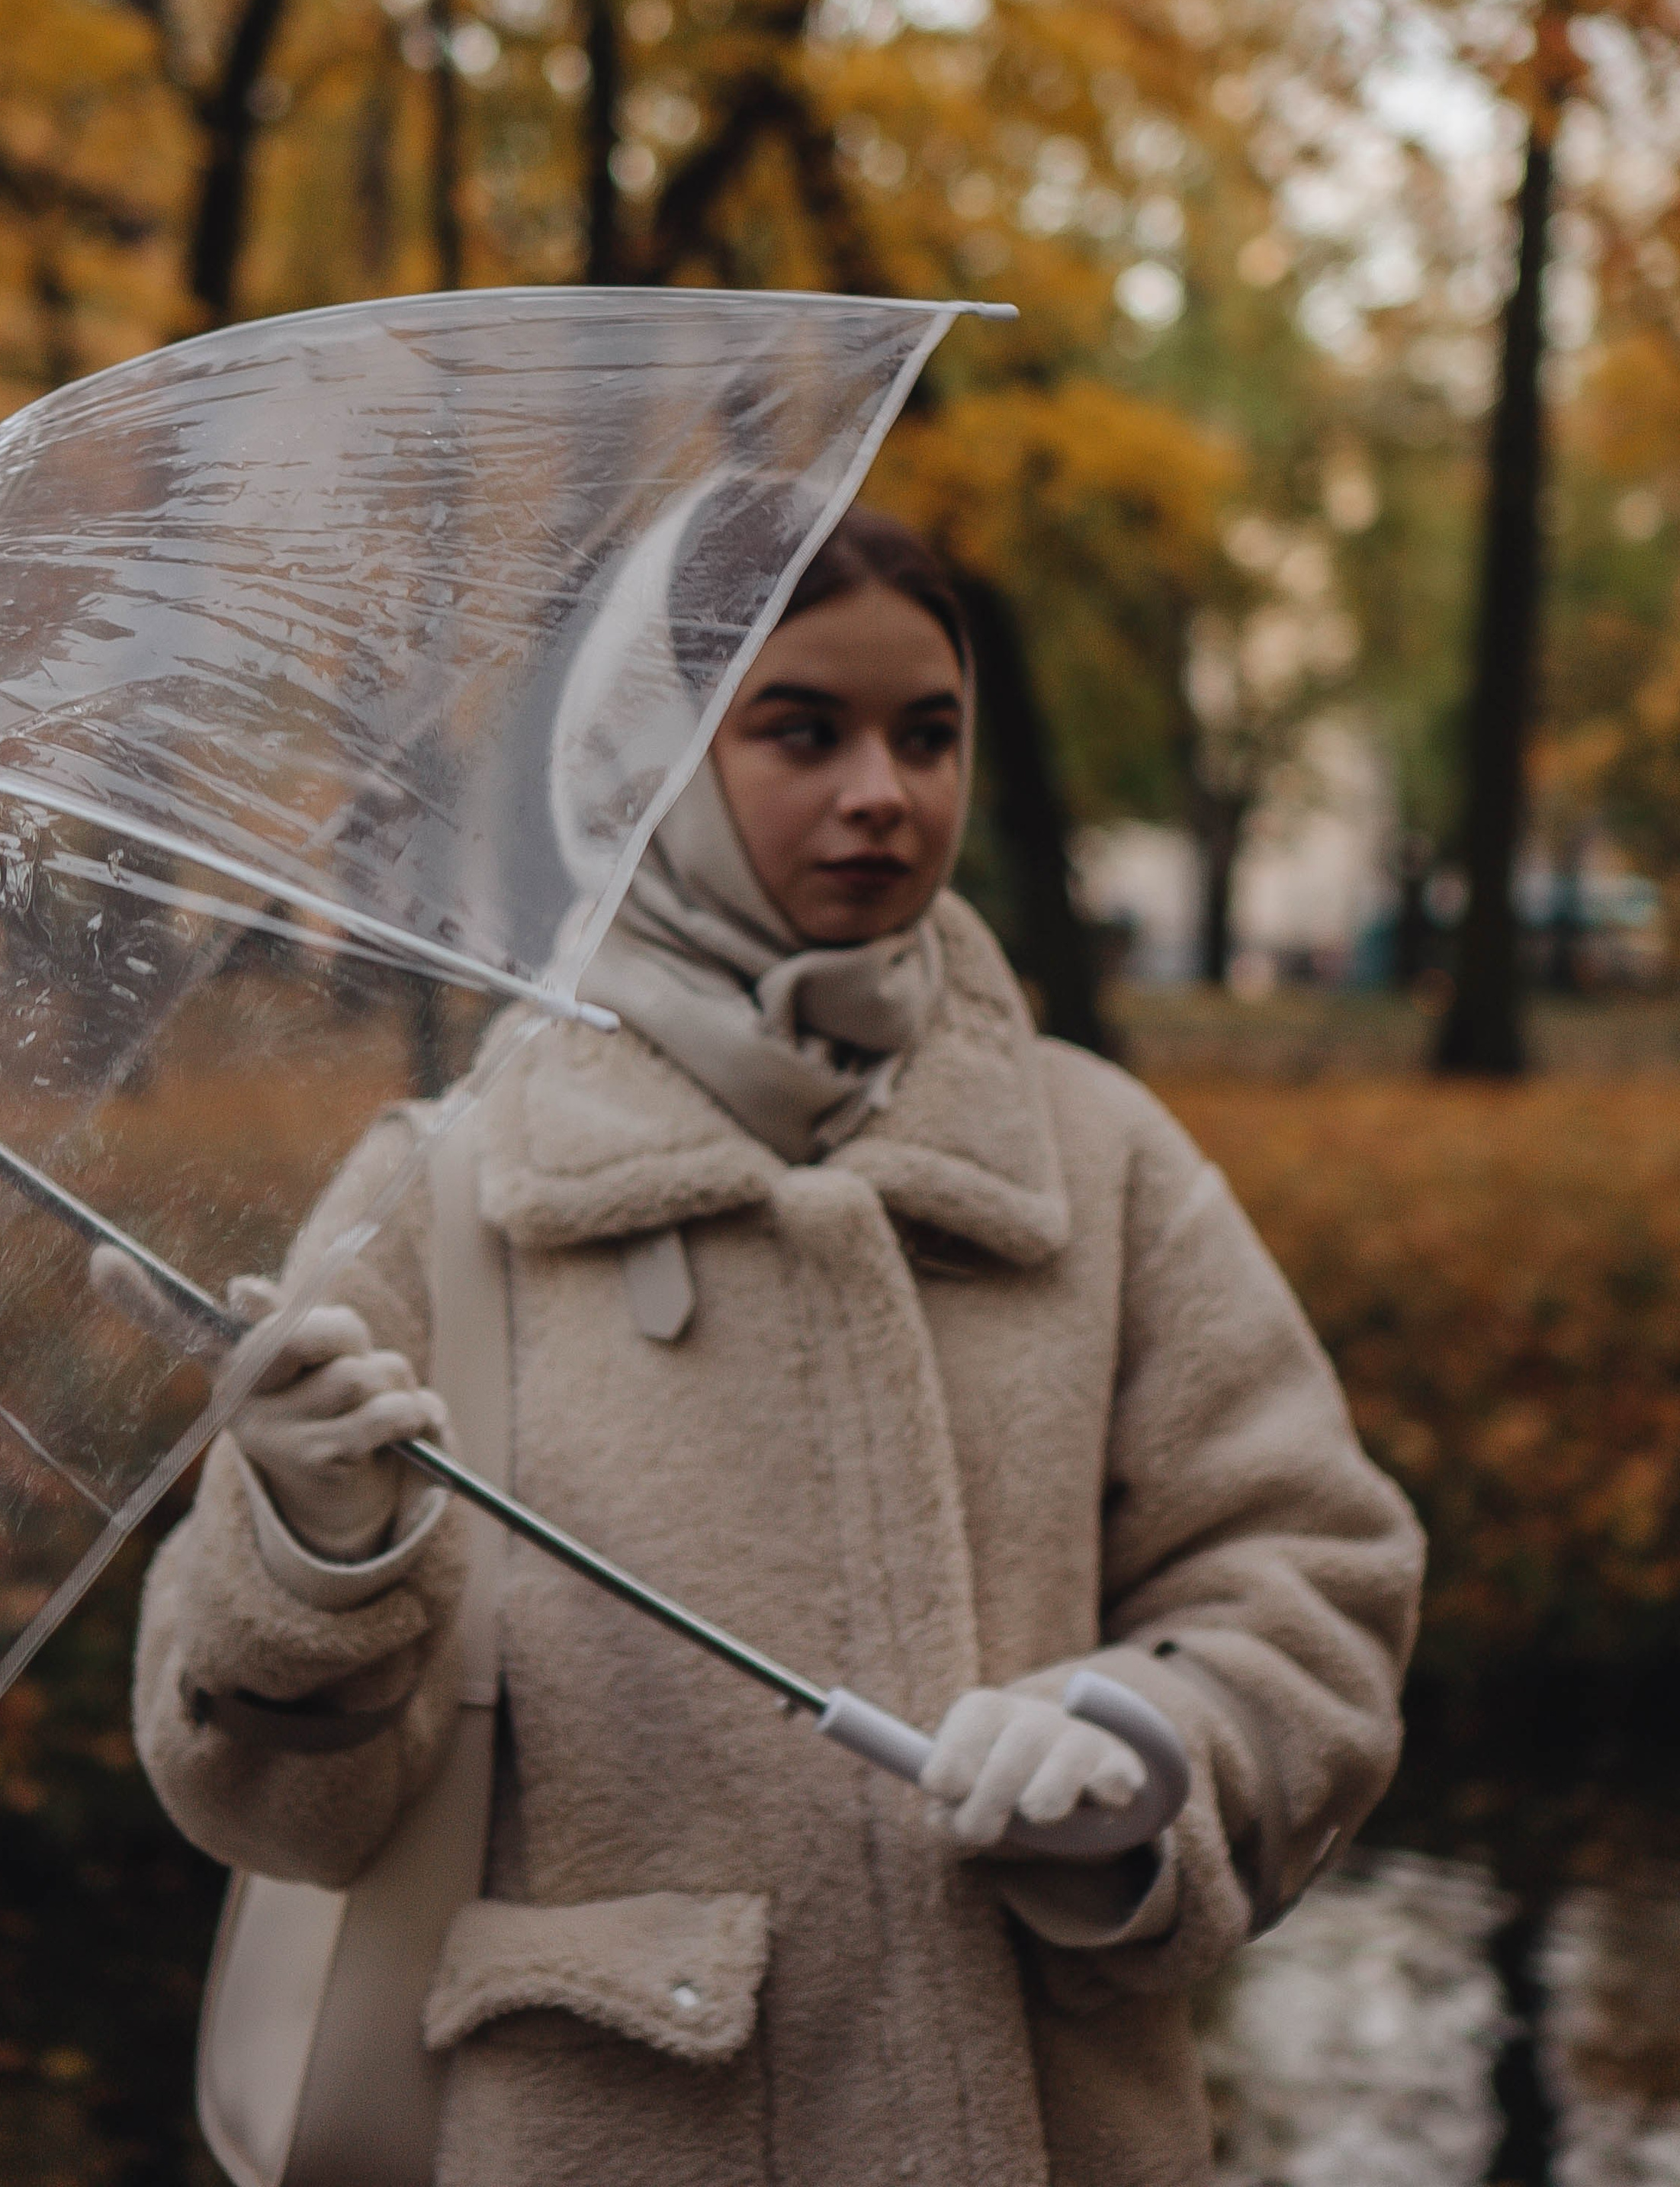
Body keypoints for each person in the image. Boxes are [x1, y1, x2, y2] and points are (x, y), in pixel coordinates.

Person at [135, 505, 1423, 2187]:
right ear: (646, 765)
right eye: (800, 731)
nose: (882, 790)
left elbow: (1312, 1571)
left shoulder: (1095, 1159)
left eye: (928, 733)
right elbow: (275, 1815)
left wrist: (1147, 1743)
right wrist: (311, 1555)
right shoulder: (450, 1193)